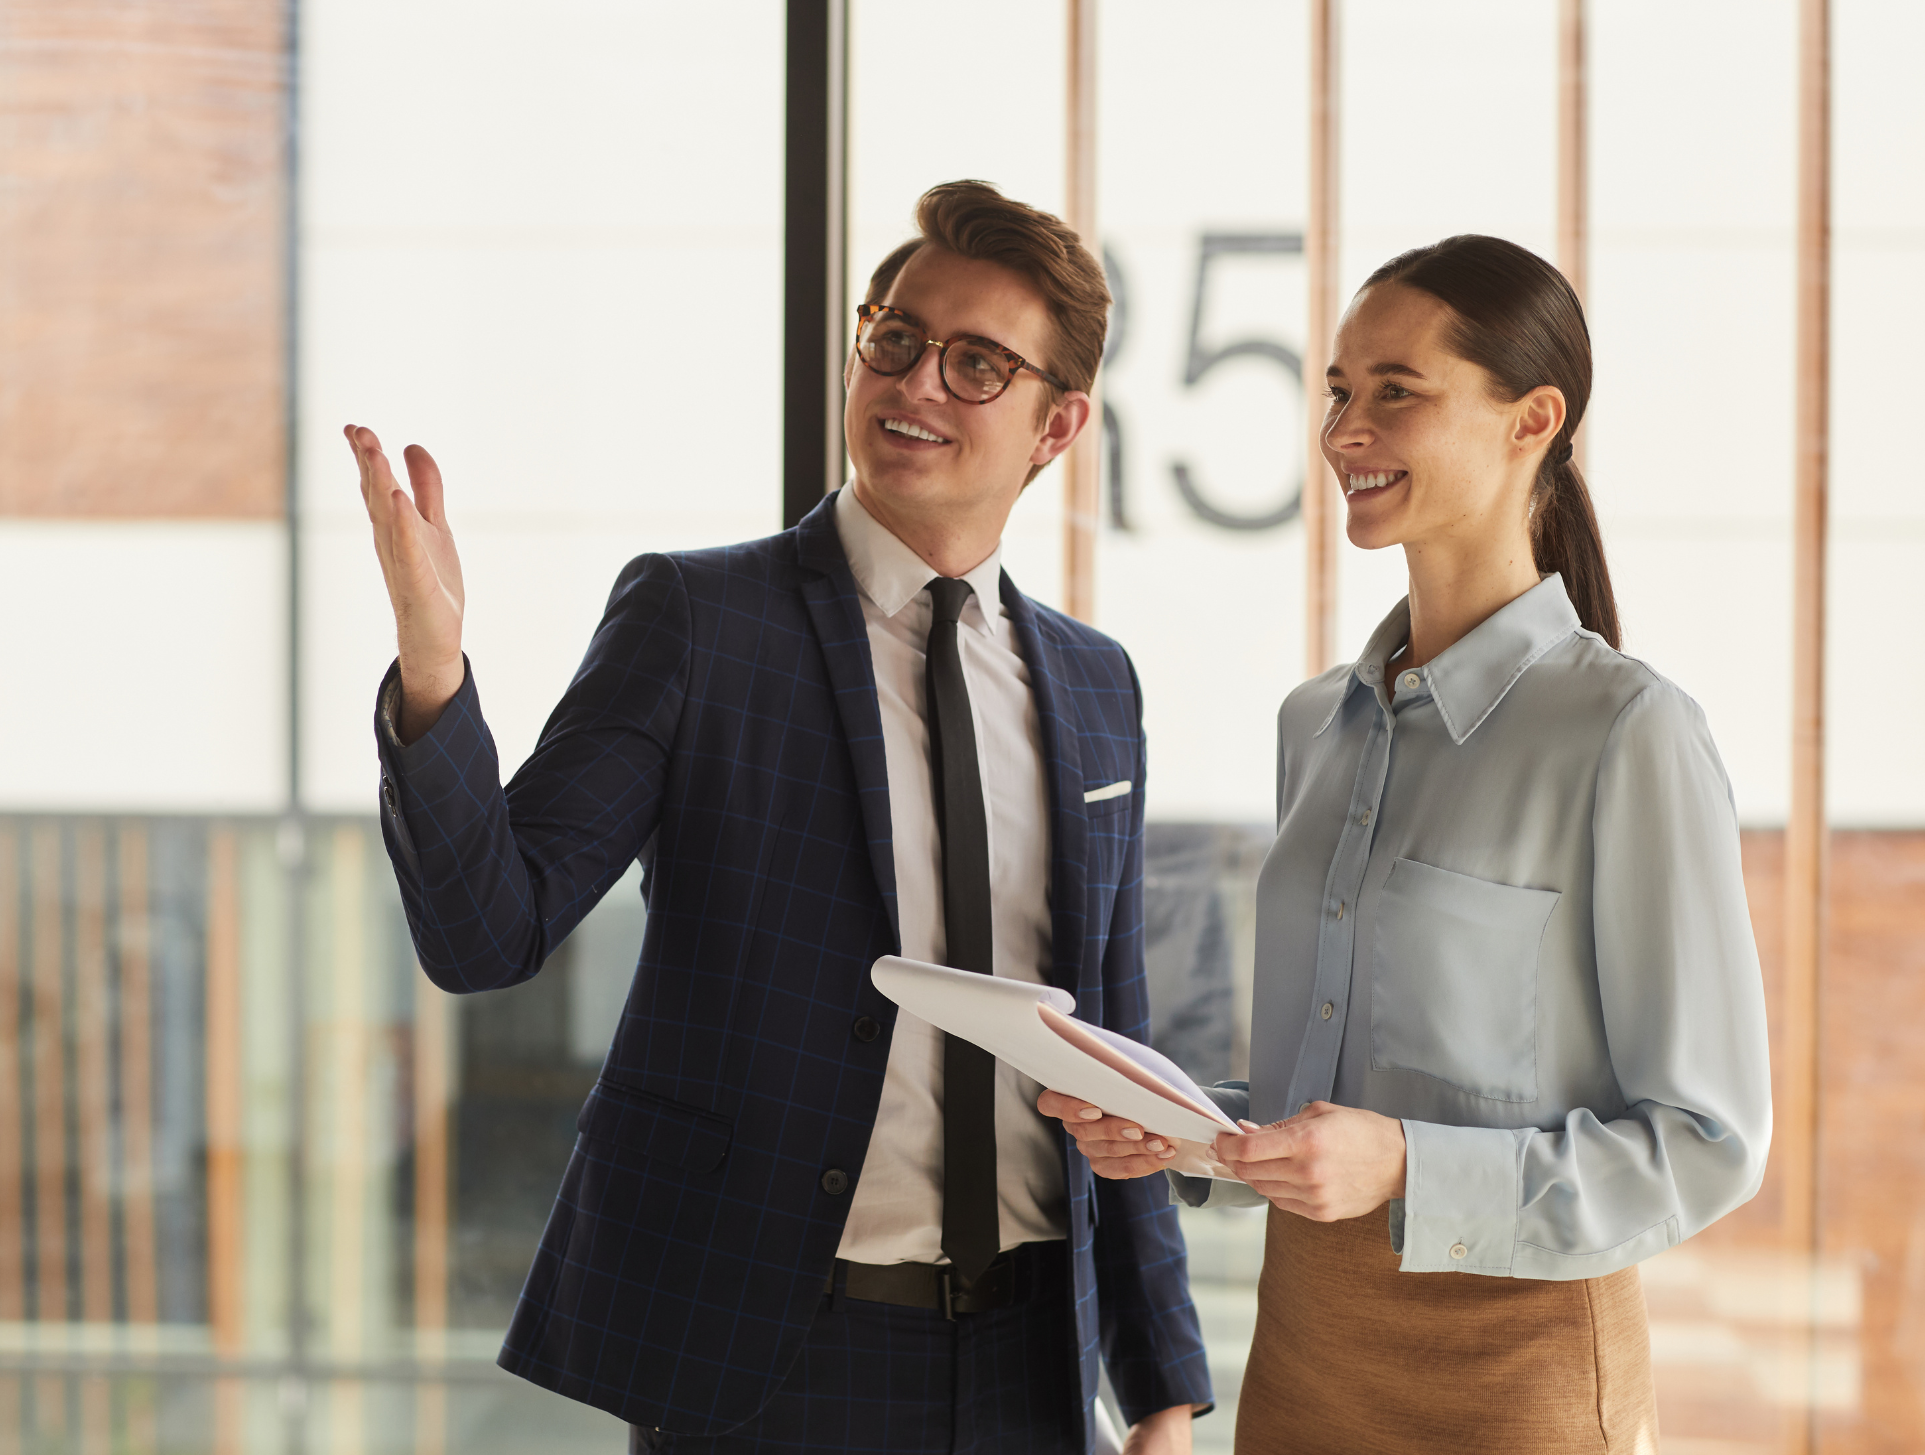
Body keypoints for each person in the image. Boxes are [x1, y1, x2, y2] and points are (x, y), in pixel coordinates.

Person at [353, 180, 1212, 1453]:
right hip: (771, 1358)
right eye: (894, 339)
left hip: (1034, 1368)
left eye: (976, 364)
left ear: (1057, 424)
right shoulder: (698, 622)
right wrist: (434, 675)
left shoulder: (1095, 684)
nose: (915, 384)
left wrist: (1161, 1388)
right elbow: (488, 935)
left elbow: (1110, 1043)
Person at [1043, 234, 1771, 1452]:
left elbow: (1705, 1147)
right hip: (1300, 1360)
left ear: (1531, 419)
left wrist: (1401, 1169)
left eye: (1395, 391)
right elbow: (1331, 1102)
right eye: (1337, 390)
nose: (1343, 431)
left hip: (1515, 1381)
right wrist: (1188, 1129)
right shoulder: (1313, 727)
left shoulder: (1626, 733)